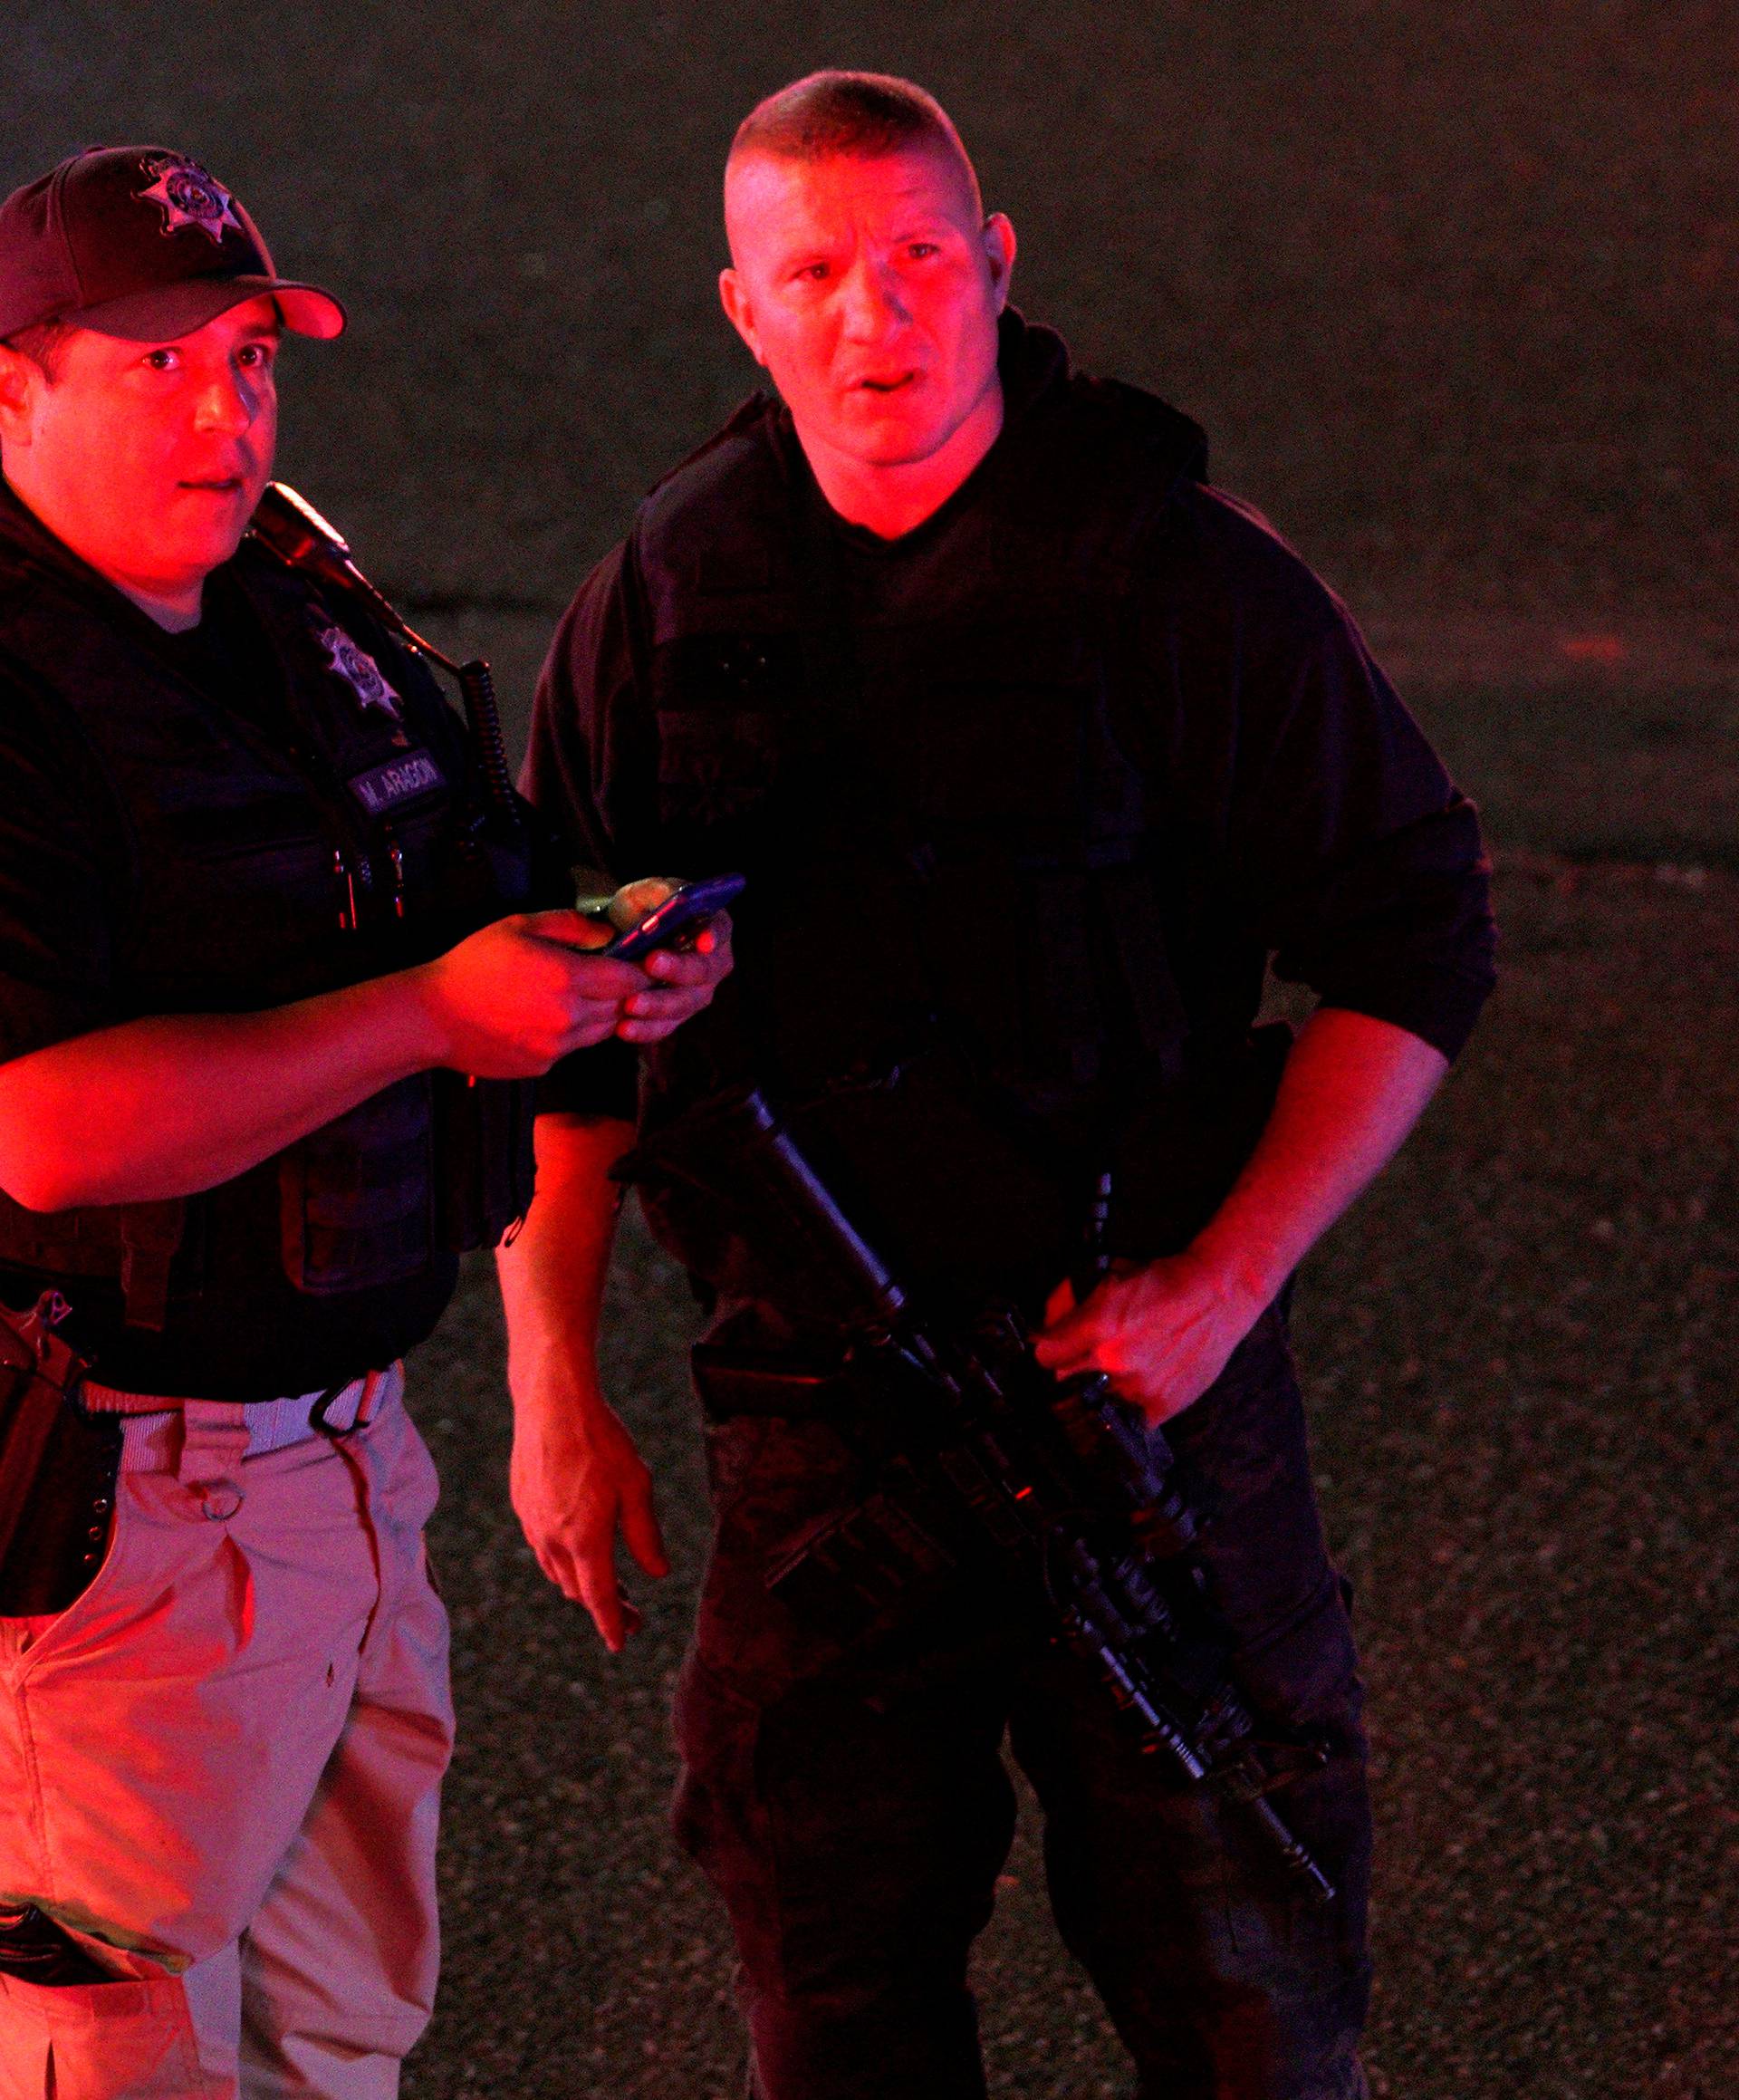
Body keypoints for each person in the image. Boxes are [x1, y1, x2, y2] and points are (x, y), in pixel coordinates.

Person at [502, 72, 1495, 2100]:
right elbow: (563, 1016)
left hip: (1130, 1406)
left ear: (998, 262)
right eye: (819, 274)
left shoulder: (1175, 576)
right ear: (741, 308)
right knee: (834, 2005)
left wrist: (1223, 1284)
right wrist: (552, 1376)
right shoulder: (666, 598)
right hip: (816, 1421)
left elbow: (1416, 944)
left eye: (921, 260)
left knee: (1252, 2006)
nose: (879, 319)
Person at [0, 146, 729, 2098]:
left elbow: (460, 901)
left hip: (345, 1476)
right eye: (153, 365)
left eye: (249, 358)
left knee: (342, 2048)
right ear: (11, 388)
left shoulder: (291, 599)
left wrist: (589, 975)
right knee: (113, 2055)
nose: (224, 411)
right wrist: (429, 1013)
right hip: (116, 1519)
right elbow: (39, 1132)